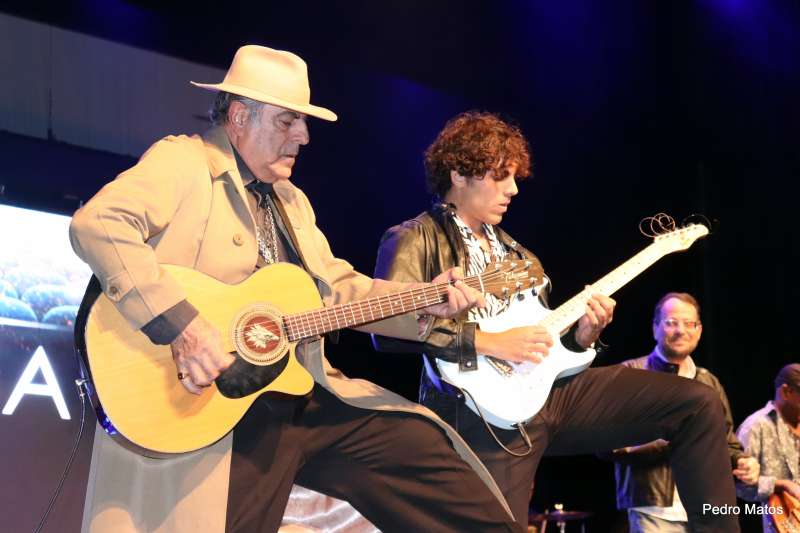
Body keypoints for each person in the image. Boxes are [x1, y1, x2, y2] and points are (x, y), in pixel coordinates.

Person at [69, 46, 521, 533]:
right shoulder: (184, 161)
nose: (303, 136)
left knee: (425, 453)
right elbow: (99, 224)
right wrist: (184, 328)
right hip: (220, 408)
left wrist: (428, 300)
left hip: (301, 391)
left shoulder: (291, 200)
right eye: (288, 121)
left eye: (303, 123)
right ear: (239, 117)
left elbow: (339, 291)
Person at [372, 111, 742, 532]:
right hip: (478, 416)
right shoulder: (413, 238)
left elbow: (546, 346)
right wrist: (488, 342)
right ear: (459, 174)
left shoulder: (521, 258)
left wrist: (582, 338)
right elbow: (388, 331)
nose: (513, 189)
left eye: (515, 178)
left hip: (549, 394)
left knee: (697, 404)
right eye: (501, 176)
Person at [610, 293, 759, 533]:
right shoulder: (631, 374)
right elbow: (611, 444)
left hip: (707, 508)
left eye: (689, 323)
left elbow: (727, 442)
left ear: (699, 330)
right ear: (655, 328)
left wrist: (742, 461)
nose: (681, 330)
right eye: (671, 322)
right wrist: (675, 439)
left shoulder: (708, 381)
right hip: (654, 510)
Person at [737, 363, 800, 532]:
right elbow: (739, 486)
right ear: (786, 392)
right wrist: (781, 485)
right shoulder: (755, 426)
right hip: (773, 523)